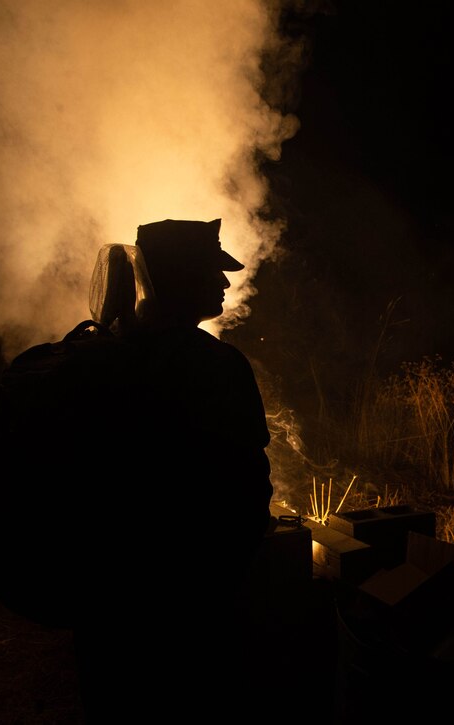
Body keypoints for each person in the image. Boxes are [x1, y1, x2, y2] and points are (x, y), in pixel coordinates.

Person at [73, 218, 275, 722]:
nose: (227, 283)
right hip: (186, 597)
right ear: (183, 279)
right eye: (215, 272)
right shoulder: (215, 365)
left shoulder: (96, 357)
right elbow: (245, 489)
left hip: (106, 598)